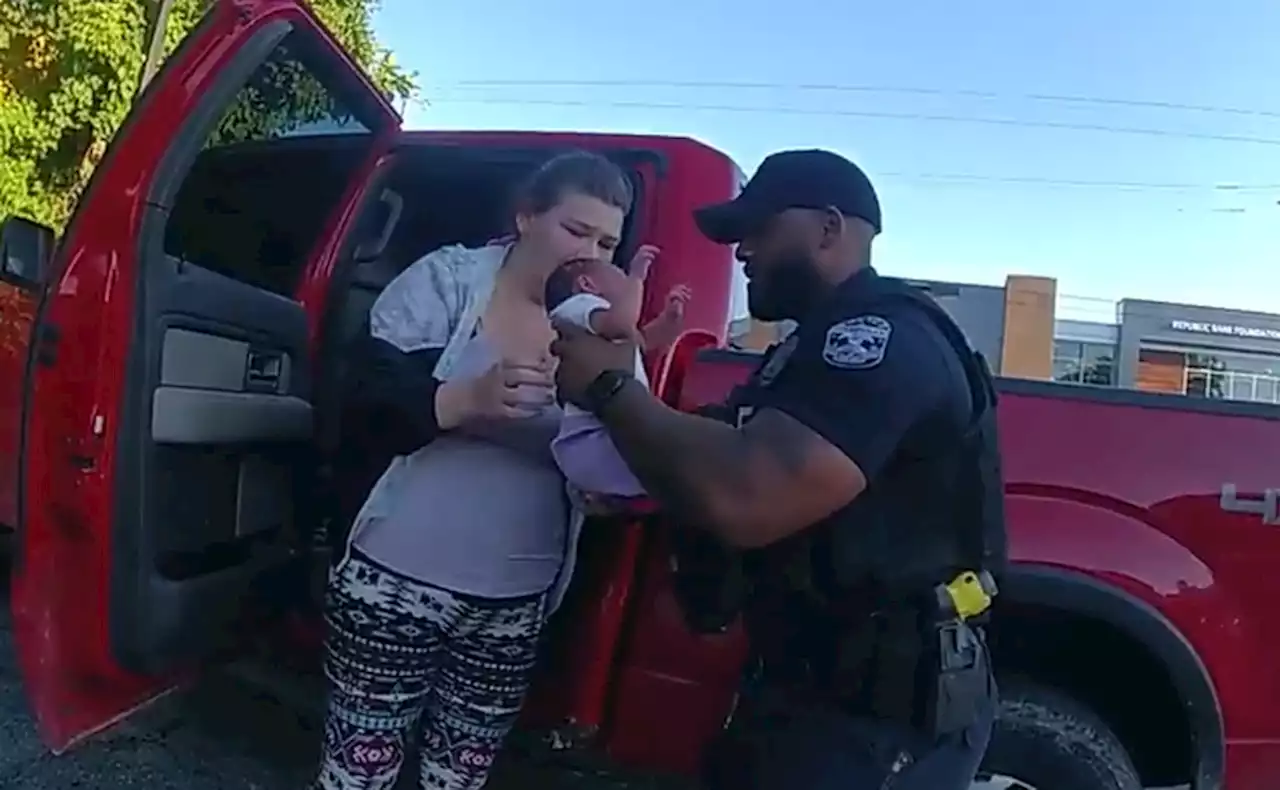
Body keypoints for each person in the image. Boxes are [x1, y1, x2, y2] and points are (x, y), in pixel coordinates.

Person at [550, 149, 1008, 790]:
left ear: (828, 228)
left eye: (758, 230)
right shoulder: (811, 344)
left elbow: (749, 494)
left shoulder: (882, 338)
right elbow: (723, 440)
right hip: (812, 691)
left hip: (873, 720)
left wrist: (607, 390)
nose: (741, 251)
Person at [314, 151, 643, 790]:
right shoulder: (450, 279)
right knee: (357, 774)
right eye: (575, 232)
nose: (590, 256)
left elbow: (624, 448)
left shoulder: (605, 329)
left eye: (607, 242)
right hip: (395, 581)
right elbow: (359, 402)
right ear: (525, 217)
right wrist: (463, 399)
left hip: (515, 604)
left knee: (458, 779)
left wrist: (607, 486)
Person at [547, 244, 689, 497]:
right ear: (587, 284)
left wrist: (669, 321)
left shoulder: (598, 324)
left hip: (605, 435)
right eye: (621, 277)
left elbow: (640, 343)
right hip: (590, 438)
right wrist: (637, 277)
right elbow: (622, 324)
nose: (628, 286)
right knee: (666, 474)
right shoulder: (578, 306)